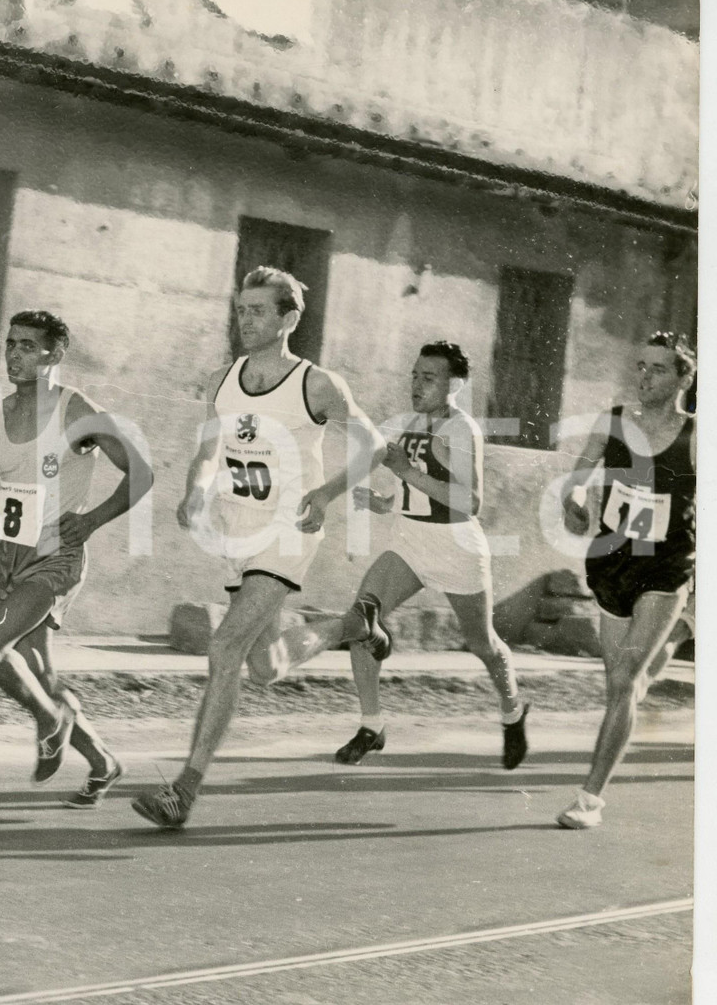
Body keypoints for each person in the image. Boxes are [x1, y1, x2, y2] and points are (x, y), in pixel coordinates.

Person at [130, 266, 390, 830]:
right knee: (265, 666)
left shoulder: (316, 384)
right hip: (238, 532)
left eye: (257, 310)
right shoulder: (222, 379)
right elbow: (206, 453)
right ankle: (352, 627)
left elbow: (375, 445)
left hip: (289, 530)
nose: (244, 320)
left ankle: (184, 791)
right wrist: (194, 494)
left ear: (288, 319)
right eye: (240, 309)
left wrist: (326, 492)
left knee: (224, 650)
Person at [0, 310, 153, 806]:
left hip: (55, 558)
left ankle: (50, 720)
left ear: (54, 354)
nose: (14, 355)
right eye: (10, 344)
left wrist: (93, 520)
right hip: (8, 555)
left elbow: (142, 472)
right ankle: (104, 761)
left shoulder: (74, 410)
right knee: (40, 674)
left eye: (27, 346)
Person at [304, 341, 529, 770]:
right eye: (414, 375)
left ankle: (513, 711)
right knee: (361, 618)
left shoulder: (462, 430)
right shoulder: (402, 423)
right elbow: (406, 482)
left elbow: (470, 502)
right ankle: (372, 725)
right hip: (409, 542)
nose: (417, 385)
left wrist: (406, 473)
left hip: (456, 547)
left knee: (483, 644)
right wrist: (386, 500)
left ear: (455, 384)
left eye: (429, 377)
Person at [557, 332, 696, 830]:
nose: (644, 376)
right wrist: (571, 503)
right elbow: (575, 480)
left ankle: (589, 799)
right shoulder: (612, 421)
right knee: (622, 688)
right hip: (612, 565)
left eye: (658, 369)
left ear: (684, 377)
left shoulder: (695, 436)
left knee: (624, 681)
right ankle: (677, 635)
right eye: (641, 366)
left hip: (666, 569)